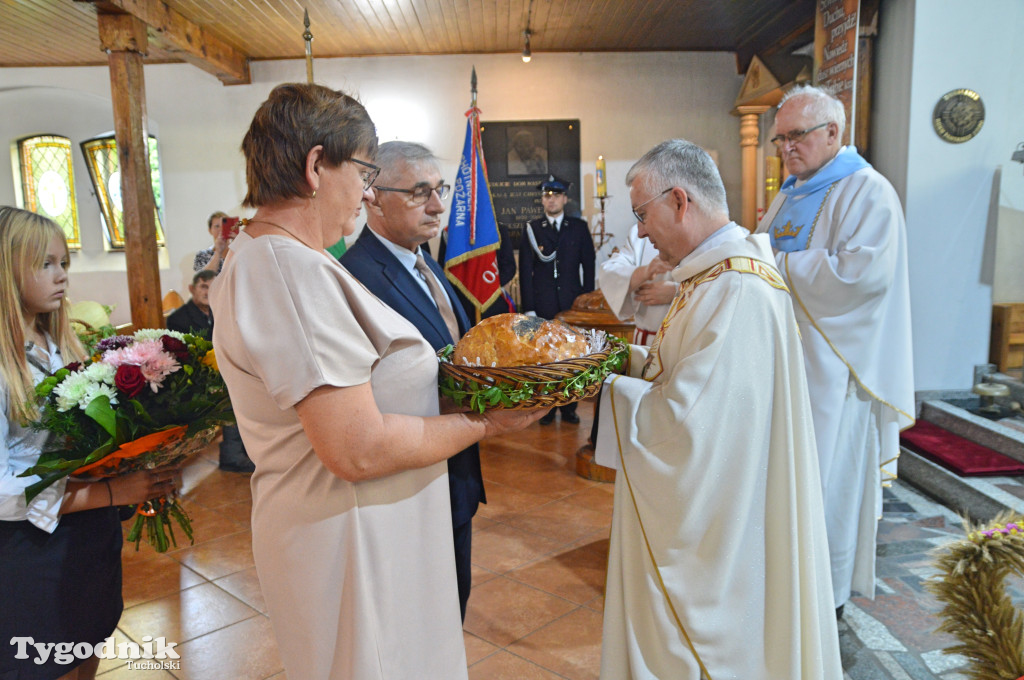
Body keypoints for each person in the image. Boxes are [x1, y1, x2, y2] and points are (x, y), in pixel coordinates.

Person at [209, 83, 544, 680]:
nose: (367, 193)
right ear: (316, 166)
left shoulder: (278, 259)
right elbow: (356, 448)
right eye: (363, 172)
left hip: (362, 528)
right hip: (349, 539)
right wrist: (487, 422)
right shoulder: (289, 271)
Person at [594, 140, 841, 679]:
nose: (639, 232)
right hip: (732, 508)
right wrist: (613, 360)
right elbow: (684, 374)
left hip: (725, 542)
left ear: (680, 201)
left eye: (642, 214)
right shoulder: (715, 276)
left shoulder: (738, 288)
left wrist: (606, 390)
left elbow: (688, 430)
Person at [756, 85, 915, 616]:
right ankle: (779, 587)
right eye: (780, 139)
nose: (785, 149)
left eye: (795, 136)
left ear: (833, 132)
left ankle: (824, 601)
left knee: (826, 483)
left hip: (835, 370)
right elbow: (757, 253)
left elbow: (859, 275)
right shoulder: (790, 193)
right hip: (782, 361)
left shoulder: (868, 192)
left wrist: (773, 266)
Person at [0, 206, 177, 680]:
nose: (61, 278)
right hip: (30, 551)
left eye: (64, 264)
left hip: (88, 538)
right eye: (45, 264)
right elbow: (2, 488)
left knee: (87, 641)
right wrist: (114, 492)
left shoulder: (57, 342)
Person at [340, 141, 484, 621]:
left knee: (448, 612)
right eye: (420, 192)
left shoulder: (423, 262)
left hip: (451, 471)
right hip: (407, 483)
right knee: (416, 621)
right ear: (373, 197)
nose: (439, 205)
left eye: (440, 189)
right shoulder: (357, 276)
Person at [519, 175, 595, 424]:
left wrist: (585, 301)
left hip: (571, 302)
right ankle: (548, 408)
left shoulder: (579, 227)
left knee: (571, 356)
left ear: (564, 198)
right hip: (543, 304)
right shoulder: (532, 229)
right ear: (542, 200)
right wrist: (529, 308)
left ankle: (570, 407)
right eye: (545, 195)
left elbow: (589, 266)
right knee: (545, 356)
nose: (550, 199)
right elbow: (526, 271)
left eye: (555, 195)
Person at [165, 269, 215, 337]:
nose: (208, 292)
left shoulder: (222, 313)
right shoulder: (177, 319)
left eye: (213, 287)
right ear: (192, 289)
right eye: (204, 287)